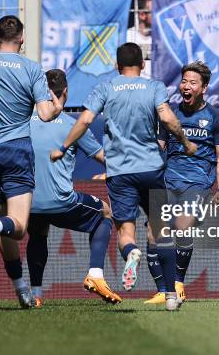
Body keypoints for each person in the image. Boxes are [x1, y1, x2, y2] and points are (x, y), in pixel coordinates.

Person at [50, 42, 197, 311]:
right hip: (151, 168)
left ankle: (132, 253)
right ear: (142, 65)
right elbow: (166, 118)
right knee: (161, 231)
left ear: (117, 66)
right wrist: (185, 141)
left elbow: (83, 121)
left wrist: (63, 147)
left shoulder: (106, 87)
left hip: (119, 172)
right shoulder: (153, 87)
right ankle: (170, 295)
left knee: (126, 232)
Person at [0, 15, 64, 308]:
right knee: (18, 227)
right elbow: (46, 114)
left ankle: (20, 288)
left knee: (5, 224)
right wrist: (58, 105)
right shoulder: (32, 68)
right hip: (17, 150)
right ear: (22, 39)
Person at [26, 69, 122, 307]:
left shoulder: (23, 122)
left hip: (27, 203)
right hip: (60, 202)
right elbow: (105, 159)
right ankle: (96, 275)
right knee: (105, 213)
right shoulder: (73, 125)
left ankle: (36, 294)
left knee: (38, 232)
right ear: (65, 92)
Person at [145, 61, 219, 304]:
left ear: (204, 88)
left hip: (198, 184)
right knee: (153, 234)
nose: (186, 86)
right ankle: (163, 291)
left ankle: (178, 284)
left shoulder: (217, 118)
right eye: (184, 81)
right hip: (168, 181)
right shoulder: (168, 115)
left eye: (193, 82)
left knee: (182, 227)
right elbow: (157, 147)